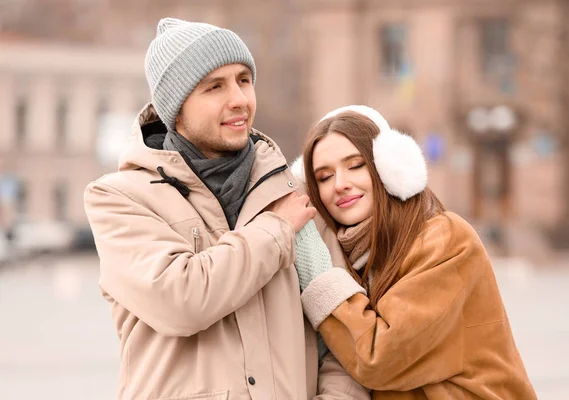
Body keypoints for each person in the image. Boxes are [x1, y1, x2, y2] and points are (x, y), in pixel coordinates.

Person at [84, 18, 369, 400]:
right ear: (176, 108)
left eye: (244, 80)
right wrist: (275, 229)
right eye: (214, 87)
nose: (239, 99)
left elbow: (342, 328)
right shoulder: (120, 199)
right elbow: (180, 299)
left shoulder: (292, 195)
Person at [291, 105, 538, 399]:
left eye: (355, 165)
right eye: (324, 177)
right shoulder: (352, 259)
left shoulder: (444, 240)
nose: (340, 184)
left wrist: (316, 271)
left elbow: (378, 357)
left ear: (387, 168)